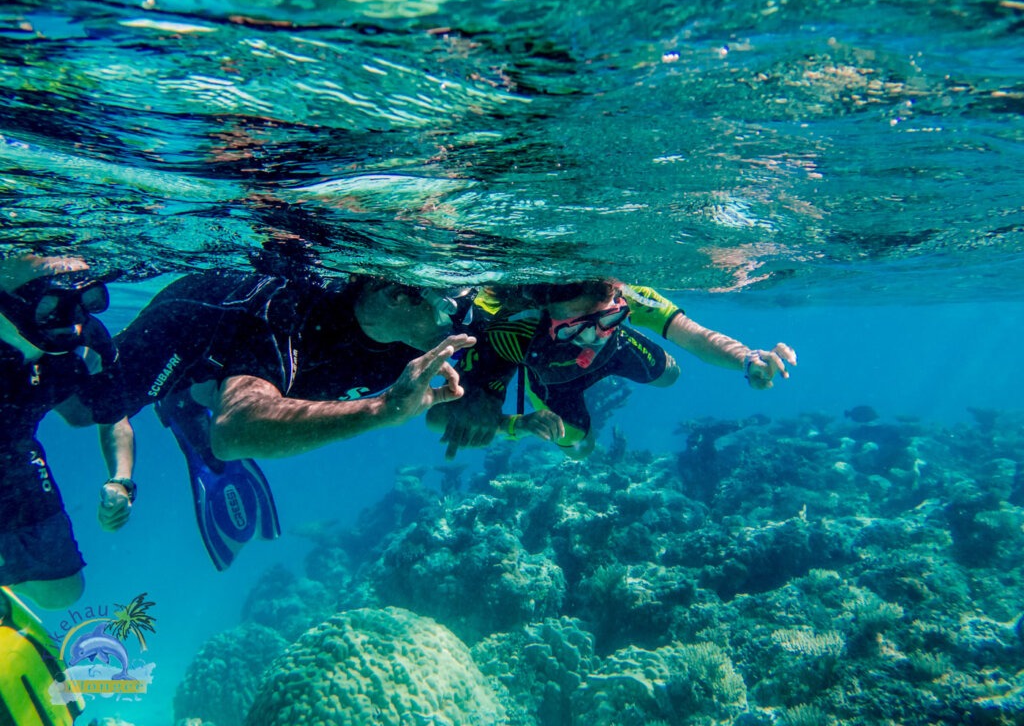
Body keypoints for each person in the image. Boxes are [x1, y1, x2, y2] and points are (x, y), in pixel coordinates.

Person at [100, 269, 476, 568]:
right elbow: (234, 432)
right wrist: (383, 409)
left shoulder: (412, 341)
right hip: (183, 343)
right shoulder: (289, 310)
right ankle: (184, 404)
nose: (462, 324)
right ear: (397, 296)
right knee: (88, 406)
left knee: (216, 393)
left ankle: (197, 401)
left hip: (243, 381)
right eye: (451, 310)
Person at [429, 280, 796, 459]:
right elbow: (440, 416)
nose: (593, 338)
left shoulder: (632, 296)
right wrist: (511, 424)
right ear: (545, 315)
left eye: (609, 318)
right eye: (574, 329)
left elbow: (695, 337)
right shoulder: (511, 331)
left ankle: (613, 346)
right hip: (553, 383)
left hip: (619, 352)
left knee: (672, 375)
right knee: (579, 449)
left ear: (618, 299)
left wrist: (747, 359)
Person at [0, 255, 134, 610]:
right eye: (50, 305)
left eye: (81, 302)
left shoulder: (86, 340)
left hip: (14, 452)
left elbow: (115, 420)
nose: (71, 324)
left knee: (63, 591)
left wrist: (121, 480)